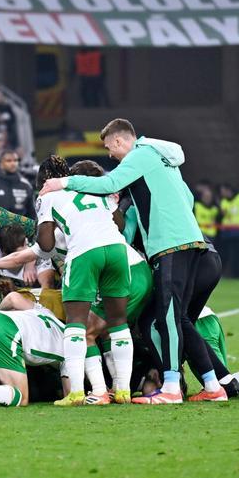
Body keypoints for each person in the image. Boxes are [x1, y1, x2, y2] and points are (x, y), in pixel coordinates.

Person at [40, 119, 210, 405]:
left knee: (95, 327)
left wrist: (63, 182)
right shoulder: (162, 161)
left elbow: (110, 184)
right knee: (166, 319)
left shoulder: (138, 157)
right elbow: (186, 198)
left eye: (109, 148)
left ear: (119, 141)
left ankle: (148, 388)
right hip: (168, 249)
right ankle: (211, 382)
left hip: (164, 245)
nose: (110, 155)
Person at [34, 154, 131, 406]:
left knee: (76, 323)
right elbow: (120, 224)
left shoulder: (48, 196)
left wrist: (44, 220)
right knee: (118, 321)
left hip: (84, 252)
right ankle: (123, 390)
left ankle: (76, 392)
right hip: (117, 250)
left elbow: (46, 245)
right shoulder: (96, 189)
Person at [0, 149, 34, 218]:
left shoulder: (25, 185)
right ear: (1, 164)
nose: (13, 163)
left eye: (15, 160)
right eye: (9, 161)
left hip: (20, 224)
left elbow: (32, 213)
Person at [217, 182, 239, 278]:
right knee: (225, 255)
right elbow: (220, 217)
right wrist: (221, 214)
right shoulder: (223, 201)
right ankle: (225, 274)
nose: (221, 193)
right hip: (226, 233)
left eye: (223, 191)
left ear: (228, 190)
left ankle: (238, 274)